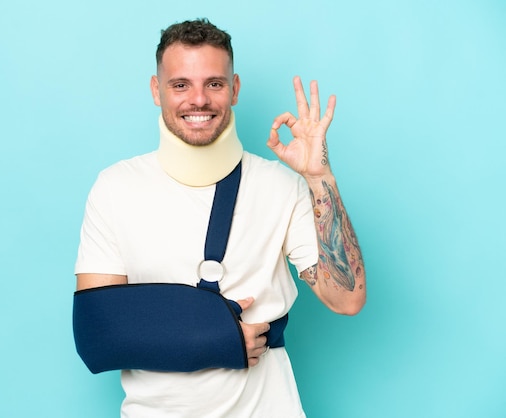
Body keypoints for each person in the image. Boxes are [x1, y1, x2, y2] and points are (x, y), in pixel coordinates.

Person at [74, 18, 366, 418]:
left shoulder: (281, 186)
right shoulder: (115, 187)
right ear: (156, 91)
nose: (199, 100)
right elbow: (99, 333)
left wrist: (320, 179)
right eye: (181, 85)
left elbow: (347, 299)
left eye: (214, 83)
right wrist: (217, 340)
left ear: (235, 88)